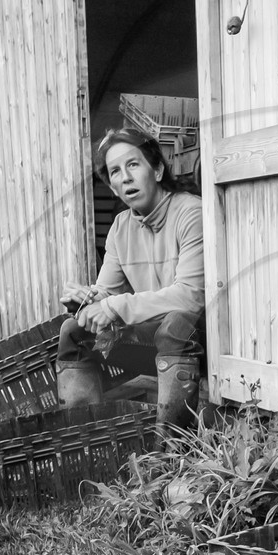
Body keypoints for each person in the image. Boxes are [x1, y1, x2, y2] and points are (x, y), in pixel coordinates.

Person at [59, 127, 204, 434]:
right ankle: (89, 442)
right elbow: (107, 293)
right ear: (112, 187)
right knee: (73, 331)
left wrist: (113, 305)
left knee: (177, 324)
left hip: (197, 342)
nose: (125, 177)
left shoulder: (190, 212)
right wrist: (86, 300)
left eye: (133, 165)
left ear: (158, 169)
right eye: (115, 171)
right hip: (153, 340)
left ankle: (170, 449)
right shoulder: (120, 227)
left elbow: (191, 297)